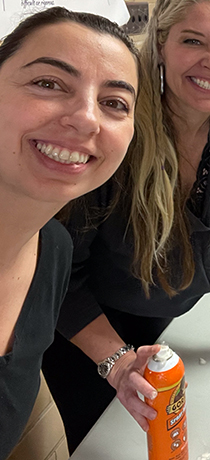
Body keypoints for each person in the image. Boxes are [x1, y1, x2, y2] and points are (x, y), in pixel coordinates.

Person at [41, 0, 210, 452]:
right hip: (86, 333)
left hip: (159, 323)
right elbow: (57, 277)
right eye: (193, 41)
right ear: (161, 44)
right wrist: (117, 362)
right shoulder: (115, 133)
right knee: (104, 445)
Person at [0, 7, 139, 459]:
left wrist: (119, 365)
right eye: (48, 83)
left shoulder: (52, 251)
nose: (87, 119)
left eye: (115, 102)